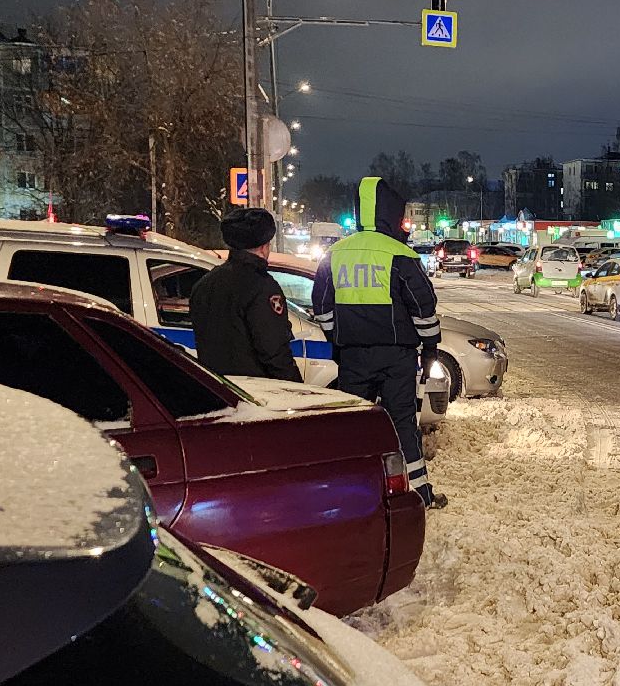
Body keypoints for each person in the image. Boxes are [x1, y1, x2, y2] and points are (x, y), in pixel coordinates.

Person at [313, 178, 445, 508]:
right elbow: (423, 309)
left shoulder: (335, 254)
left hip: (353, 357)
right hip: (397, 358)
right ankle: (417, 496)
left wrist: (337, 344)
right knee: (402, 424)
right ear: (389, 212)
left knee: (353, 425)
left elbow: (322, 308)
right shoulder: (400, 255)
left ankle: (349, 493)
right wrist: (430, 349)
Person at [190, 208, 302, 382]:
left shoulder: (204, 284)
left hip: (216, 390)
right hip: (256, 395)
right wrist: (297, 389)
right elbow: (273, 352)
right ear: (264, 247)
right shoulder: (262, 287)